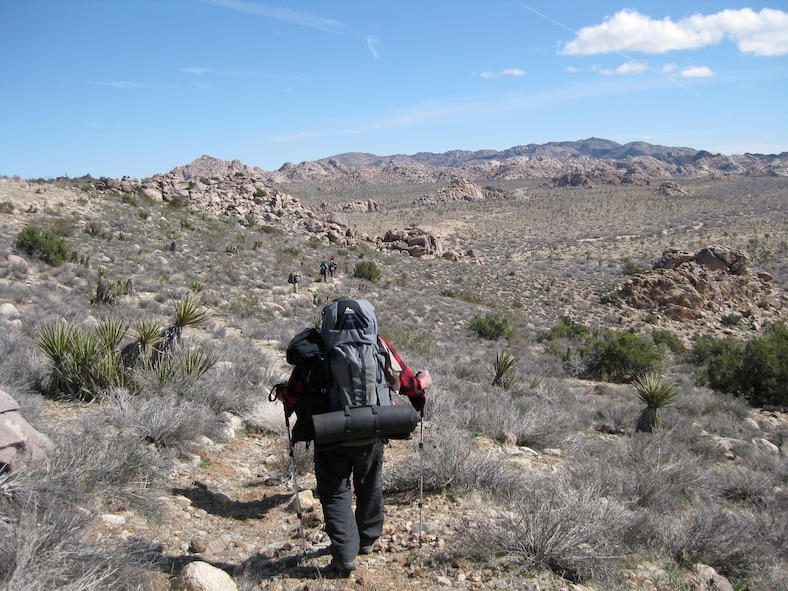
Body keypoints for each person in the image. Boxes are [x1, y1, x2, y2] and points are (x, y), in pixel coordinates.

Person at [278, 313, 431, 576]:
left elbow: (292, 395)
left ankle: (344, 556)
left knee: (335, 493)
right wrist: (420, 392)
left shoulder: (317, 347)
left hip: (330, 432)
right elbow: (406, 382)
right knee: (370, 485)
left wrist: (286, 400)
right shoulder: (379, 344)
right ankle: (368, 540)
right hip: (371, 430)